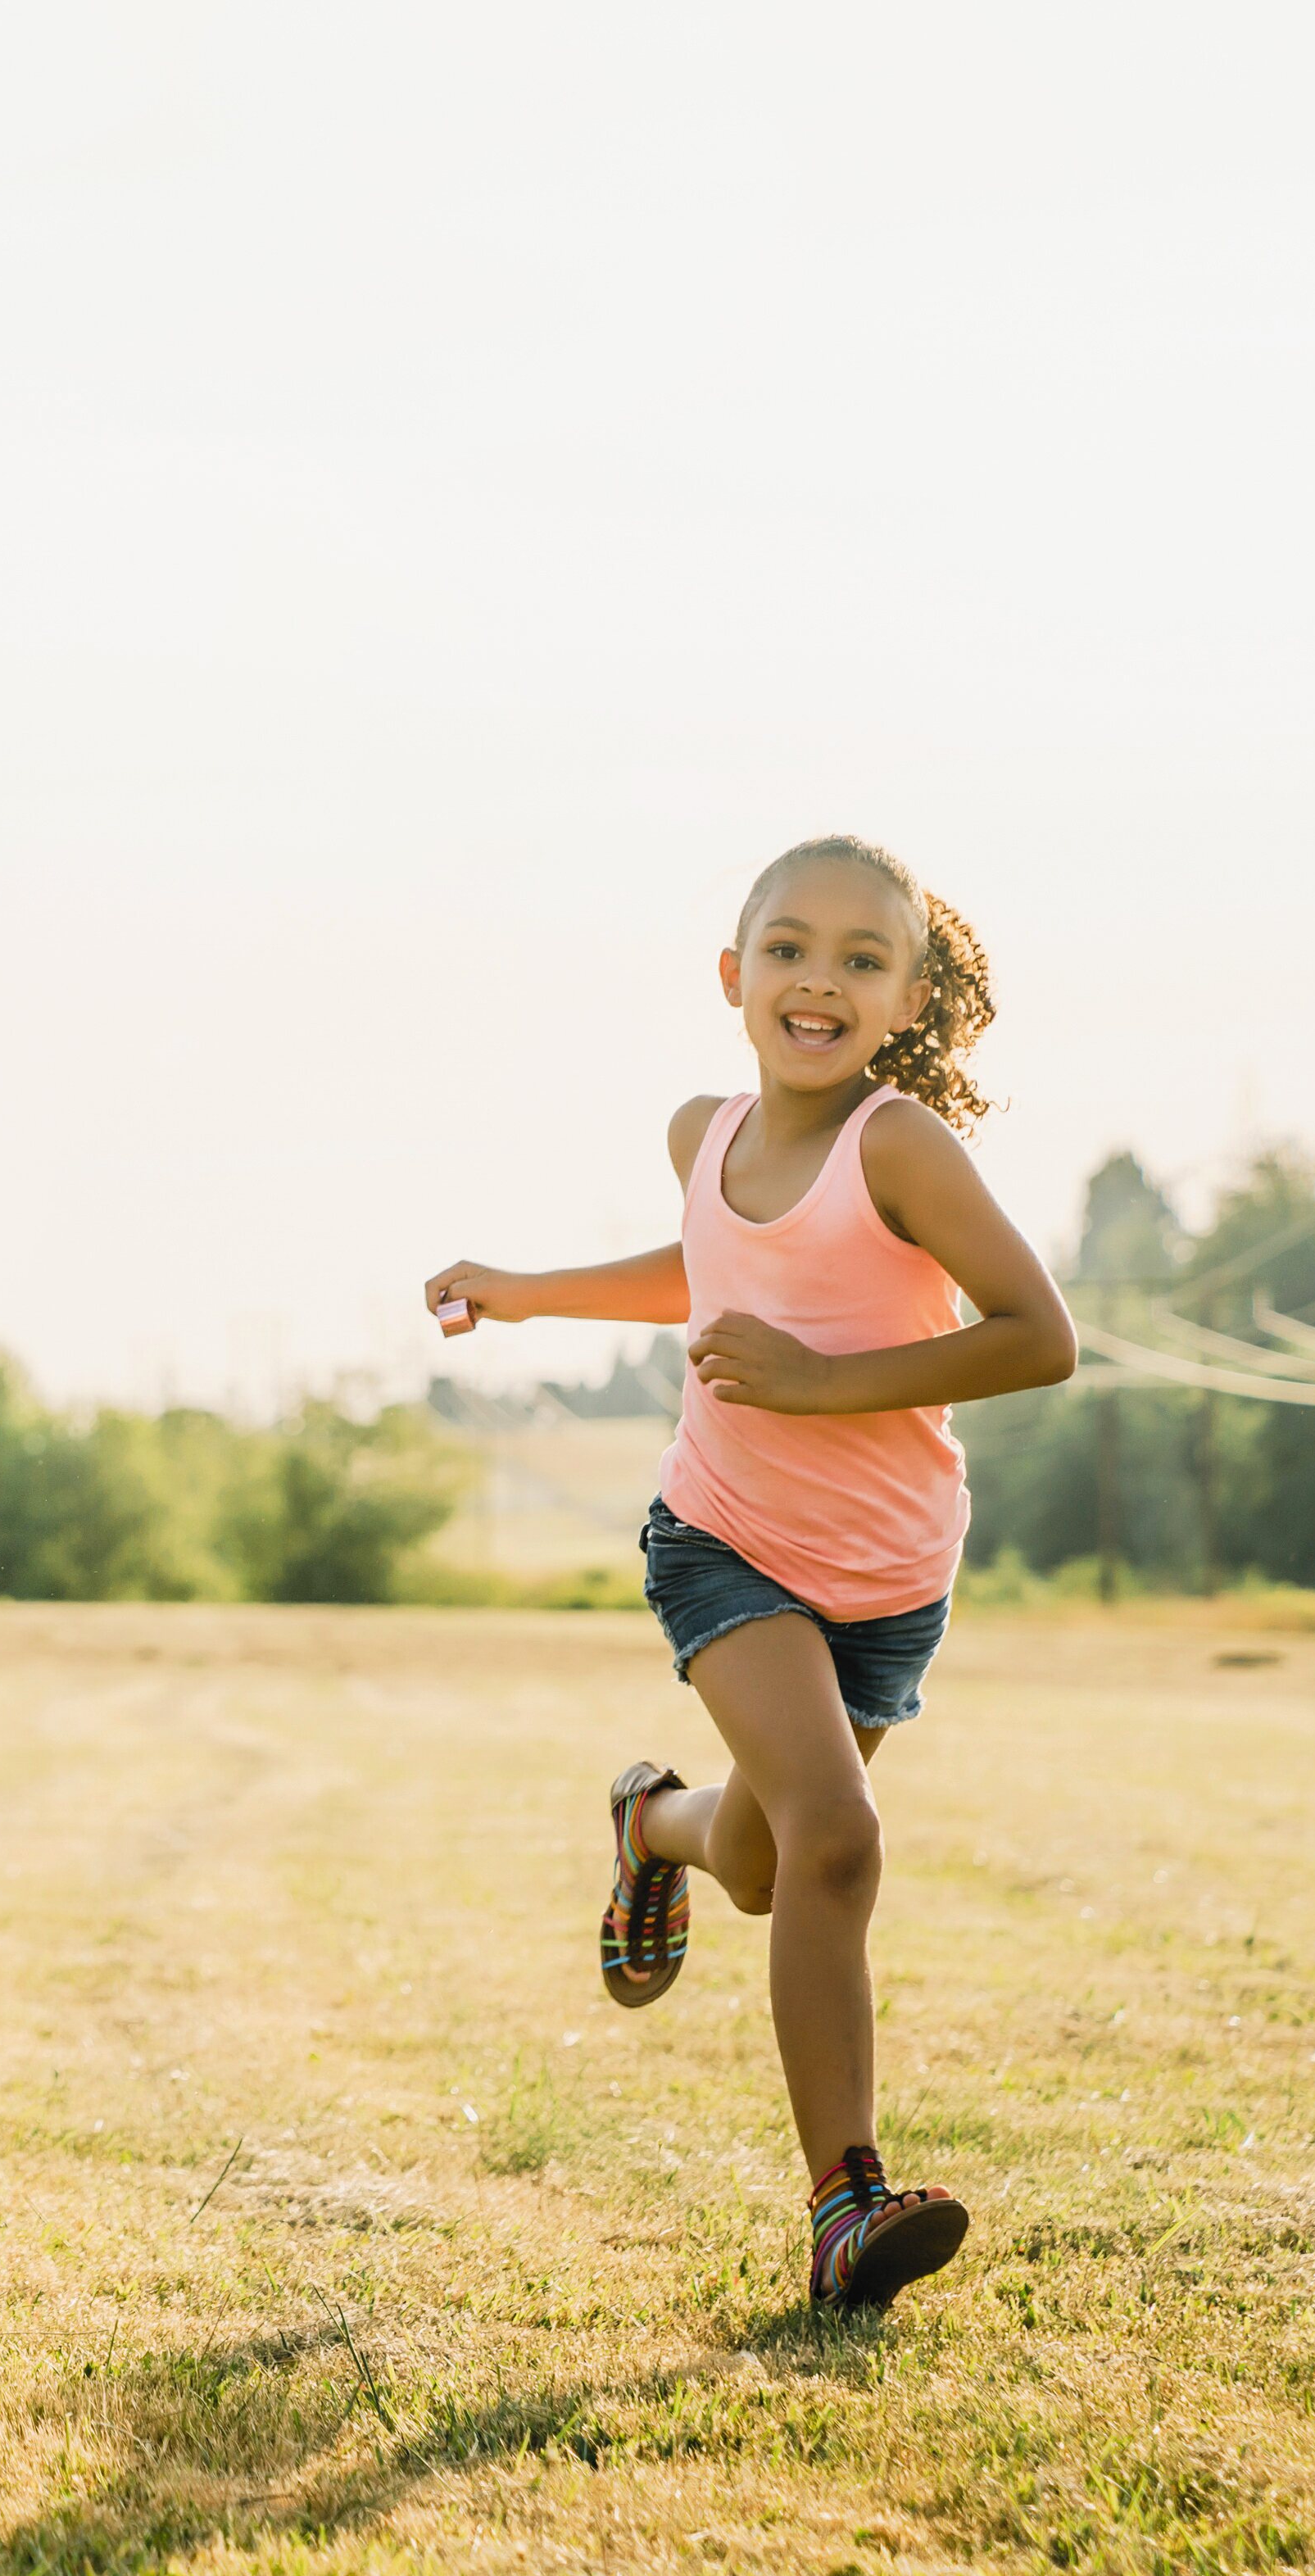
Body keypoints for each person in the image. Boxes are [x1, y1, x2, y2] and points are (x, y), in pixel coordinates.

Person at [424, 837, 1073, 2311]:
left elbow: (1041, 1336)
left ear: (907, 997)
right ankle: (845, 2208)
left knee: (772, 1866)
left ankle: (650, 1824)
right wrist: (526, 1294)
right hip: (722, 1538)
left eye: (859, 958)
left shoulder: (900, 1146)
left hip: (891, 1573)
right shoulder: (700, 1134)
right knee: (837, 1845)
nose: (817, 981)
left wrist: (808, 1380)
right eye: (788, 949)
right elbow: (707, 1265)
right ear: (733, 976)